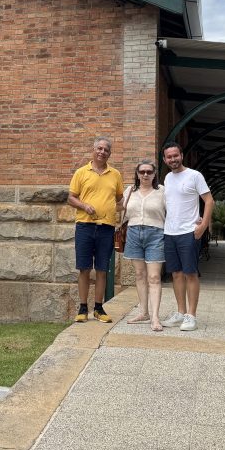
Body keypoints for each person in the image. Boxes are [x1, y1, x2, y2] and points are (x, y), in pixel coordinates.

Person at [67, 137, 124, 323]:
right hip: (85, 226)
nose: (102, 152)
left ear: (110, 153)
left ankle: (99, 308)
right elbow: (71, 198)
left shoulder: (115, 174)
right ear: (93, 150)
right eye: (99, 148)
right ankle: (83, 308)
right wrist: (84, 206)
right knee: (84, 268)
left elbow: (120, 200)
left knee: (102, 269)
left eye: (106, 150)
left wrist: (114, 209)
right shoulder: (81, 172)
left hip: (106, 228)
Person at [159, 142, 214, 331]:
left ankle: (191, 316)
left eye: (175, 155)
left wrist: (203, 225)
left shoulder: (194, 175)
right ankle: (180, 313)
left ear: (181, 155)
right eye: (169, 157)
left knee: (190, 273)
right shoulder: (167, 178)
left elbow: (209, 201)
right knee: (176, 274)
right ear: (164, 160)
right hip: (170, 232)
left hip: (189, 232)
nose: (173, 159)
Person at [120, 160, 166, 331]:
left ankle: (155, 317)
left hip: (156, 234)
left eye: (149, 172)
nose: (145, 175)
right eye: (142, 172)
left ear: (154, 174)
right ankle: (144, 312)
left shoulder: (162, 191)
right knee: (139, 275)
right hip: (133, 233)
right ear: (137, 174)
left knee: (154, 277)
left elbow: (173, 212)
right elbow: (122, 212)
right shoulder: (130, 191)